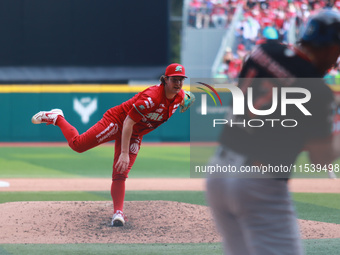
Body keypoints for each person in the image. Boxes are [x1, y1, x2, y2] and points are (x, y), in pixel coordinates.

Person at [206, 9, 340, 255]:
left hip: (218, 172)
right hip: (259, 184)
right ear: (331, 48)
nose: (336, 60)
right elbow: (321, 159)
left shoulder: (262, 52)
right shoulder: (317, 89)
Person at [31, 63, 195, 227]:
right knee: (78, 145)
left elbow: (187, 97)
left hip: (134, 133)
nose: (178, 83)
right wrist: (124, 152)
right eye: (174, 79)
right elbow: (128, 122)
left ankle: (118, 213)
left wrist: (188, 99)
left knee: (120, 172)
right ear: (165, 79)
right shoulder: (151, 98)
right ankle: (57, 118)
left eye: (181, 79)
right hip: (118, 122)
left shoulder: (180, 96)